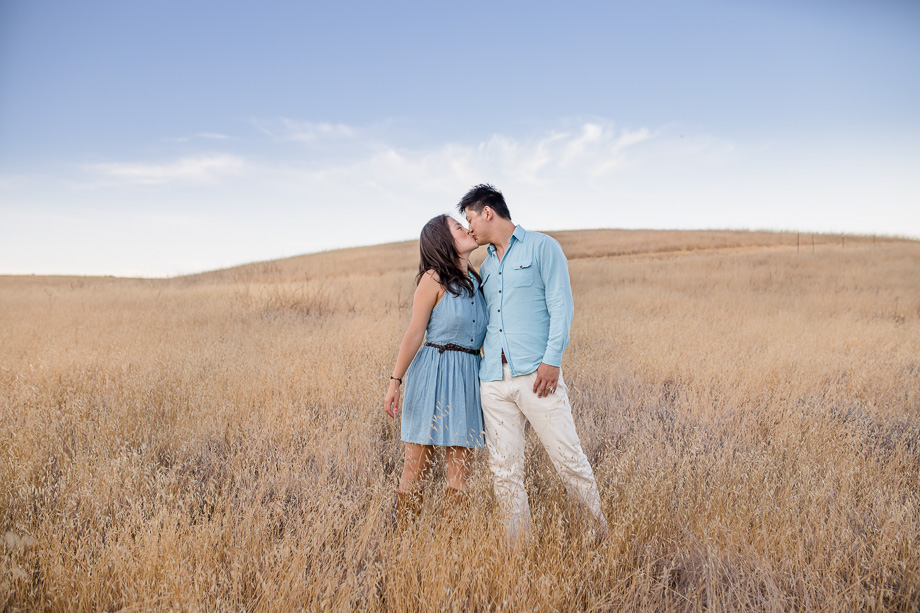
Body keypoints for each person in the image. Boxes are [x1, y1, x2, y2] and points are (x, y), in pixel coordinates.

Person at [458, 184, 608, 545]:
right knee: (504, 471)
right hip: (493, 382)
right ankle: (518, 546)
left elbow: (561, 307)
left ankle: (598, 532)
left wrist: (551, 361)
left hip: (537, 378)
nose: (469, 228)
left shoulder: (543, 247)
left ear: (488, 212)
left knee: (567, 458)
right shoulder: (486, 266)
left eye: (470, 219)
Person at [384, 214, 488, 528]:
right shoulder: (433, 278)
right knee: (416, 470)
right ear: (444, 240)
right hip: (432, 373)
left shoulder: (479, 280)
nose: (468, 228)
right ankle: (405, 541)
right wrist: (394, 381)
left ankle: (448, 552)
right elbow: (415, 332)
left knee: (461, 476)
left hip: (468, 376)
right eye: (459, 227)